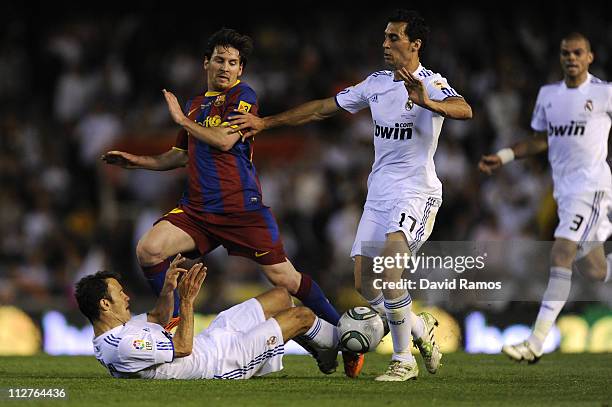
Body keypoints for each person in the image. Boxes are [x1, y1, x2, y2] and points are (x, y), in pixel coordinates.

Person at [229, 10, 473, 381]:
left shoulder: (432, 82)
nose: (385, 44)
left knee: (391, 269)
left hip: (416, 191)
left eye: (394, 38)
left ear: (415, 44)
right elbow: (321, 109)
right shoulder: (375, 84)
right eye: (385, 37)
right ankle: (419, 328)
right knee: (363, 282)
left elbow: (464, 109)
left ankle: (403, 360)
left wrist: (428, 103)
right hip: (379, 193)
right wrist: (266, 122)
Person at [100, 28, 358, 376]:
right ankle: (173, 326)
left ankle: (344, 339)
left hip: (241, 210)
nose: (225, 67)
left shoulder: (243, 96)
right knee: (149, 249)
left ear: (241, 71)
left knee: (286, 281)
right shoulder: (195, 104)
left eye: (233, 62)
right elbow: (180, 155)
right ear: (206, 62)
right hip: (198, 211)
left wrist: (180, 120)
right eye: (219, 59)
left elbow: (223, 141)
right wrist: (140, 161)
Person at [478, 32, 612, 363]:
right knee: (594, 270)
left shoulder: (605, 93)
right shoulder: (549, 96)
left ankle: (535, 342)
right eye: (566, 53)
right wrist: (506, 155)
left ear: (590, 57)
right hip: (565, 192)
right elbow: (541, 140)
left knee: (561, 253)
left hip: (592, 188)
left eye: (578, 52)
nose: (571, 58)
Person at [75, 254, 339, 379]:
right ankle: (345, 343)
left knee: (281, 296)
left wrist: (169, 290)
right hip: (223, 362)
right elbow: (182, 347)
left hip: (214, 339)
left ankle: (321, 350)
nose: (127, 297)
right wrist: (187, 300)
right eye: (120, 294)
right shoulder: (124, 346)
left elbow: (157, 316)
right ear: (104, 304)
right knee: (302, 316)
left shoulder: (120, 331)